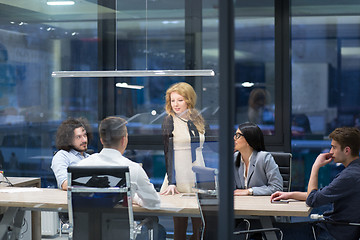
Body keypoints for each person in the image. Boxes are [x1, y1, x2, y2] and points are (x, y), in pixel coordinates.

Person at [76, 116, 165, 239]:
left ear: (102, 140)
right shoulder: (133, 168)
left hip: (84, 234)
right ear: (124, 140)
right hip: (119, 235)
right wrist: (134, 198)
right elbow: (154, 203)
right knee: (159, 230)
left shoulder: (80, 166)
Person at [270, 127, 360, 240]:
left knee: (272, 232)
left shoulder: (349, 176)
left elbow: (312, 200)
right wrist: (289, 195)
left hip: (331, 233)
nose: (331, 152)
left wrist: (315, 166)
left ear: (347, 150)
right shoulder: (355, 171)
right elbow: (321, 194)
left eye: (334, 147)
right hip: (341, 231)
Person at [160, 82, 208, 240]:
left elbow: (204, 148)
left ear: (189, 99)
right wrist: (172, 181)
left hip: (198, 173)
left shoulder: (198, 118)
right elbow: (168, 153)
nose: (175, 104)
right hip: (178, 174)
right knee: (179, 228)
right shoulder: (169, 120)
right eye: (172, 100)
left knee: (199, 228)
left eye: (180, 100)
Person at [234, 122, 283, 196]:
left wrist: (250, 191)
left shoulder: (264, 158)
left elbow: (277, 188)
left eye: (238, 135)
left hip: (261, 204)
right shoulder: (234, 158)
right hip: (239, 202)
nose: (234, 138)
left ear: (248, 139)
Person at [51, 117, 93, 190]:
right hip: (70, 199)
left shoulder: (89, 157)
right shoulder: (62, 156)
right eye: (78, 137)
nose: (84, 140)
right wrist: (92, 181)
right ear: (68, 140)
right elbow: (64, 184)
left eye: (85, 135)